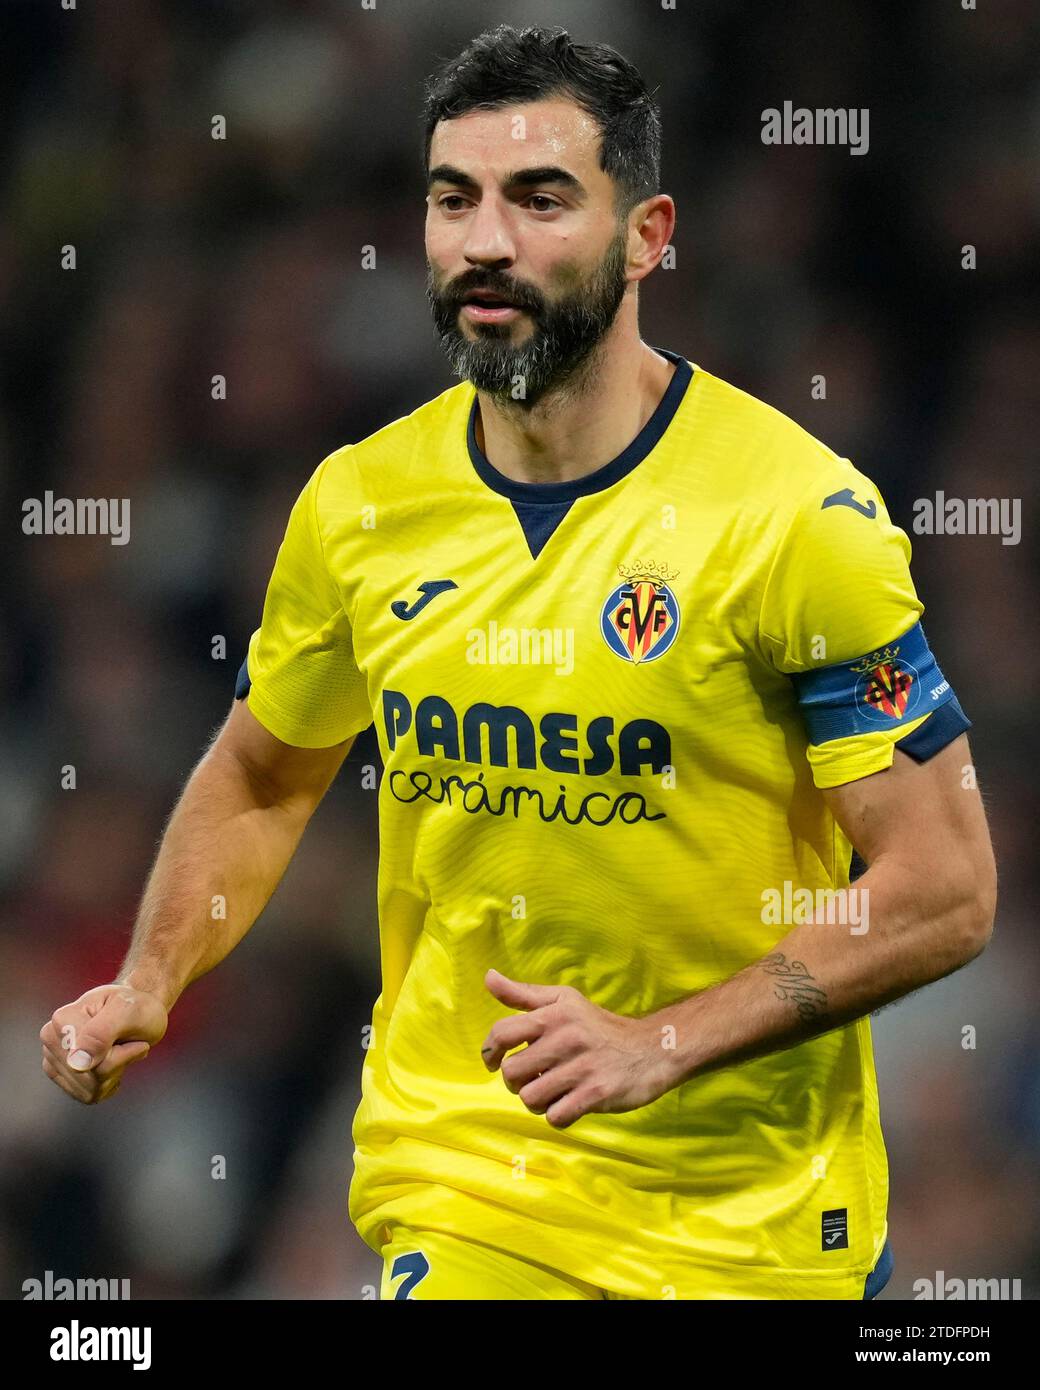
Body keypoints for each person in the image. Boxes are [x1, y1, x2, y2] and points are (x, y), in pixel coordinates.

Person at [40, 25, 996, 1301]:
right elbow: (265, 771)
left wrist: (664, 1042)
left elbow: (943, 883)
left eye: (540, 198)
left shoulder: (793, 521)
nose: (485, 240)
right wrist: (151, 977)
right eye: (453, 199)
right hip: (473, 1186)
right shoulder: (361, 506)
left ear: (648, 235)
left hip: (759, 1231)